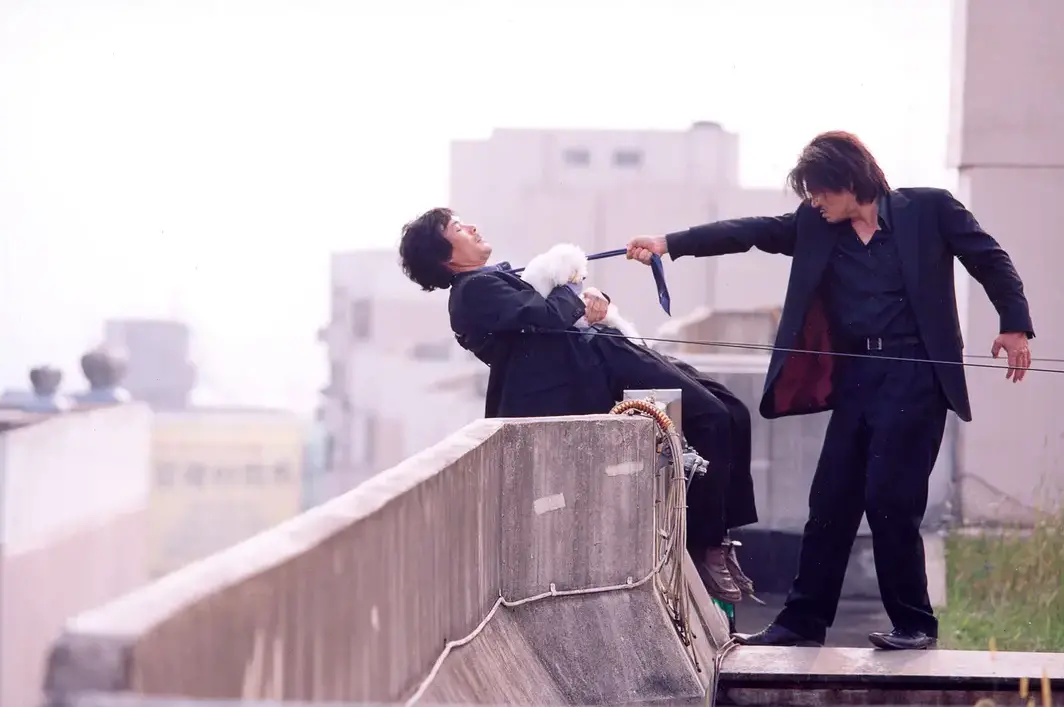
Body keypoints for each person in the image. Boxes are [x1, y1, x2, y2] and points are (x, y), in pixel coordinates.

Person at [626, 131, 1035, 650]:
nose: (814, 202)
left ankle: (915, 625)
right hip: (856, 378)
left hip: (916, 377)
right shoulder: (816, 226)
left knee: (890, 500)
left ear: (849, 180)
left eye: (820, 191)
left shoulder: (931, 210)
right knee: (829, 503)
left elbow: (990, 259)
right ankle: (802, 623)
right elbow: (749, 231)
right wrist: (668, 244)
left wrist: (1014, 324)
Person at [398, 206, 760, 603]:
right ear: (446, 257)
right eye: (458, 228)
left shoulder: (490, 281)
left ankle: (720, 536)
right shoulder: (472, 291)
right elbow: (547, 314)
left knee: (732, 411)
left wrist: (592, 297)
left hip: (606, 350)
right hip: (597, 364)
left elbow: (558, 308)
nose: (471, 227)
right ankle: (706, 544)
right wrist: (574, 285)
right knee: (712, 417)